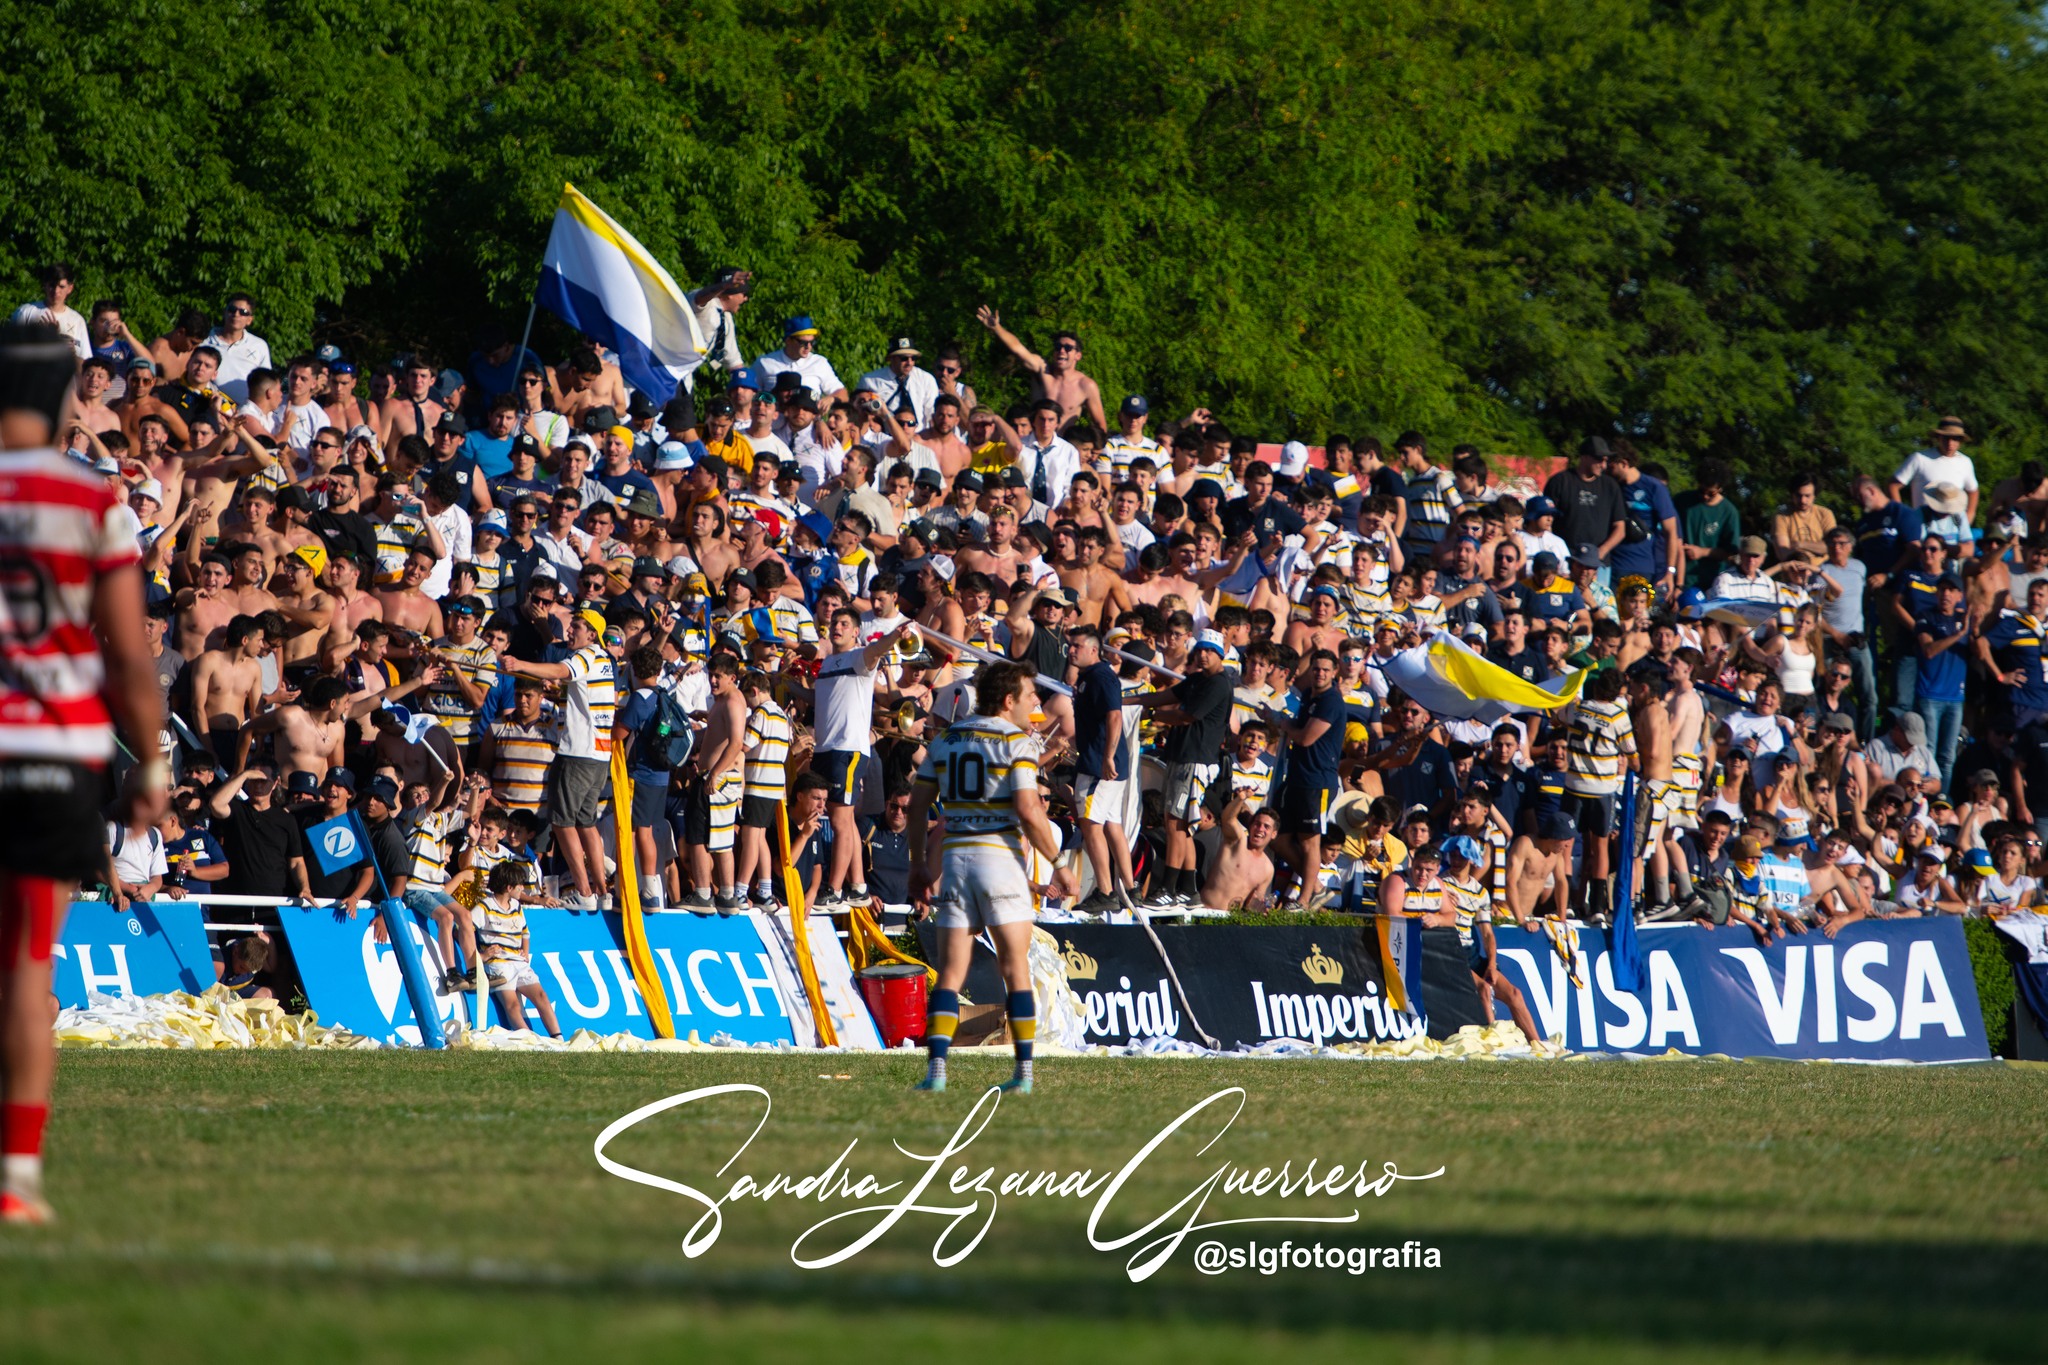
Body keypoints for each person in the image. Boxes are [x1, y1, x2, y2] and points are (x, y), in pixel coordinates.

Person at [0, 322, 169, 1224]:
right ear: (61, 396)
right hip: (52, 750)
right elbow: (130, 655)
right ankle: (14, 1178)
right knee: (28, 969)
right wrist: (153, 758)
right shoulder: (91, 498)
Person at [909, 661, 1062, 1094]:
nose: (1036, 703)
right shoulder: (1017, 741)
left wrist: (920, 863)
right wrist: (1061, 863)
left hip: (957, 858)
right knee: (1015, 968)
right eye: (1031, 695)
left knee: (951, 970)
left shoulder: (945, 739)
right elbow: (1031, 811)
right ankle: (1023, 1075)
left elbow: (919, 807)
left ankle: (936, 1071)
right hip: (1000, 858)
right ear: (1008, 700)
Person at [497, 608, 616, 907]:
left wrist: (520, 664)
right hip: (598, 756)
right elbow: (576, 693)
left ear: (592, 634)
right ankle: (602, 891)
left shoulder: (587, 655)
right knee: (586, 822)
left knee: (563, 823)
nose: (570, 631)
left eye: (576, 626)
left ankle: (584, 892)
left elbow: (562, 670)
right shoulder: (603, 660)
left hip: (577, 754)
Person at [475, 862, 563, 1038]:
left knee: (541, 996)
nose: (522, 889)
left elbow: (525, 933)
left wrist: (525, 951)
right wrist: (482, 956)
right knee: (512, 1005)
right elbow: (461, 931)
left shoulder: (516, 906)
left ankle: (558, 1037)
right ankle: (530, 1041)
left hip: (518, 962)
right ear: (509, 887)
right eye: (520, 886)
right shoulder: (484, 906)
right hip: (498, 964)